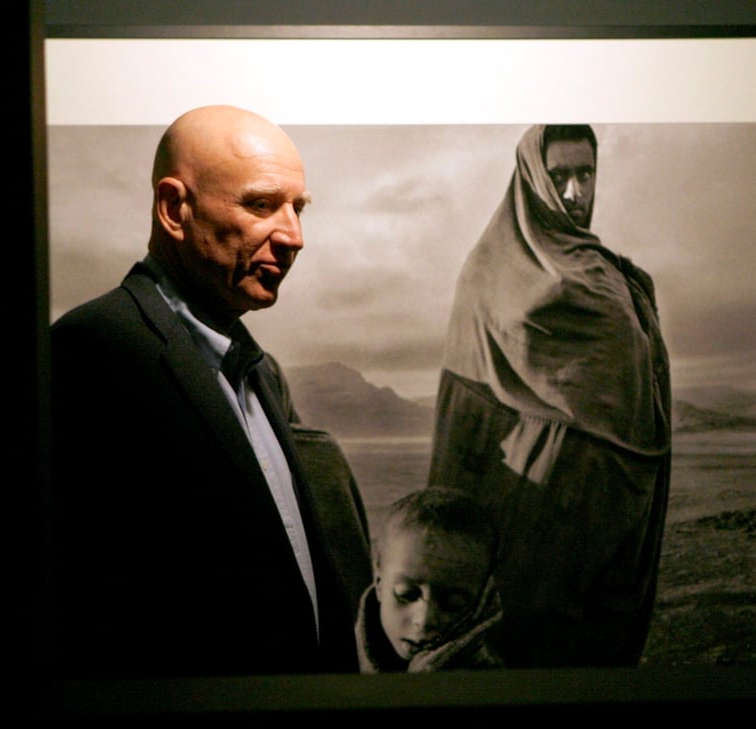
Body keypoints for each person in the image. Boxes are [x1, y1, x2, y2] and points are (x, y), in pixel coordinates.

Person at [47, 105, 369, 679]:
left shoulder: (257, 371)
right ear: (174, 209)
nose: (293, 237)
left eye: (298, 208)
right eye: (261, 205)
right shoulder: (89, 352)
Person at [427, 124, 672, 668]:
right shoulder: (487, 273)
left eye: (586, 174)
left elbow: (645, 387)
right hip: (529, 507)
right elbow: (465, 406)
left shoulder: (618, 278)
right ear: (532, 177)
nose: (574, 192)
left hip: (615, 506)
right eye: (558, 176)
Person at [354, 488, 504, 672]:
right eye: (407, 594)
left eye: (453, 604)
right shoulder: (331, 654)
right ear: (379, 583)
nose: (424, 620)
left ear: (481, 603)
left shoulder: (489, 681)